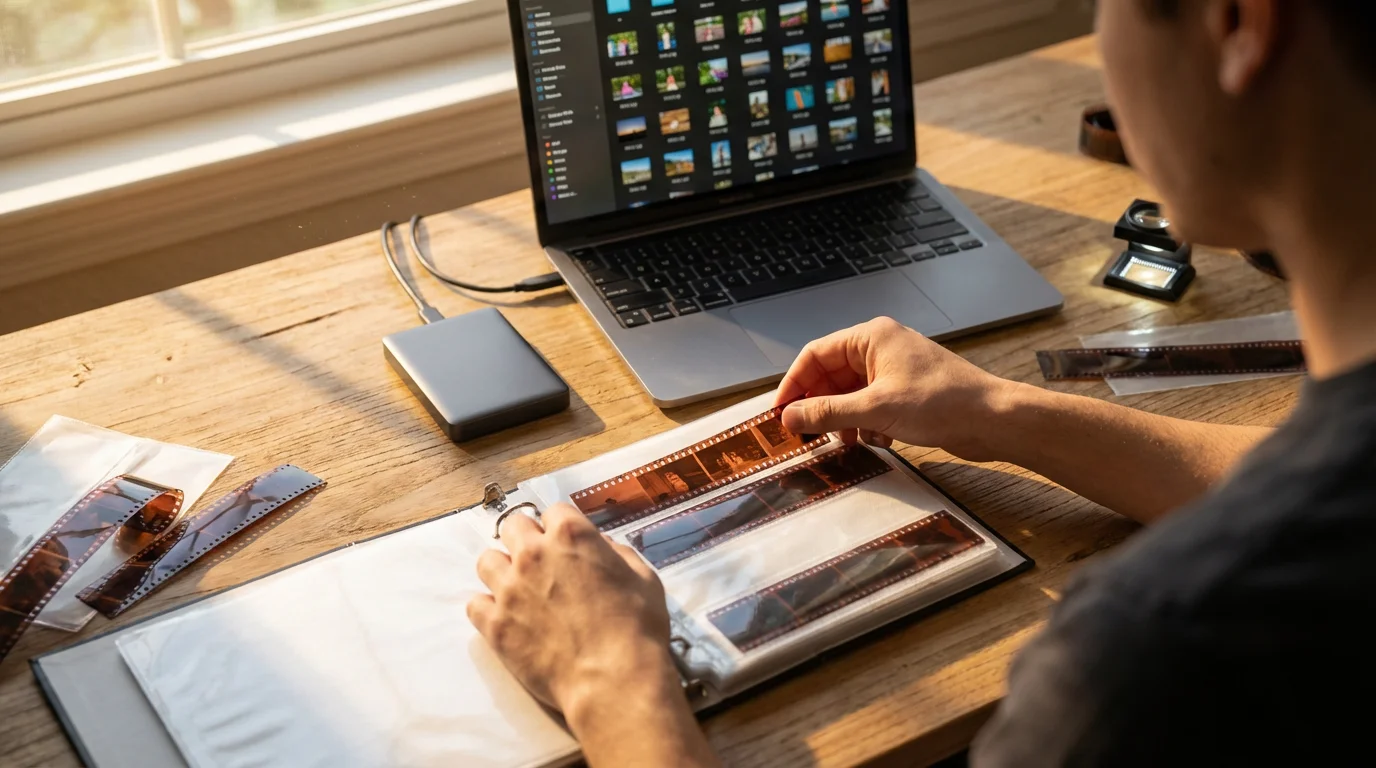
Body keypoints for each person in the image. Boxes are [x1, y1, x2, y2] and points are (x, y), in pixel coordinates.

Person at [466, 1, 1376, 765]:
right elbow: (1321, 484)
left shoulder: (1157, 657)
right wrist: (999, 410)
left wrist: (612, 682)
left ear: (1236, 23)